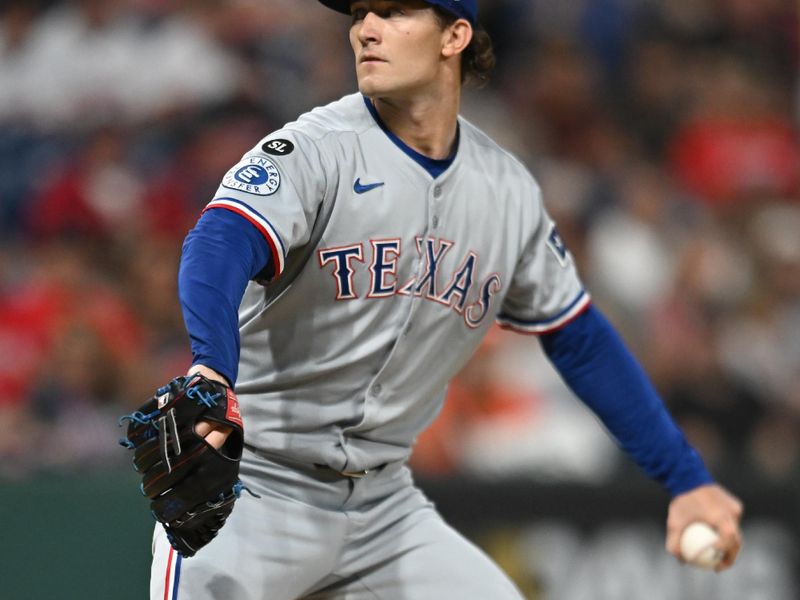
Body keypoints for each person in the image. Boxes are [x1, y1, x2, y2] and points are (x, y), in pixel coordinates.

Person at [151, 1, 743, 598]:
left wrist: (686, 478)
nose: (367, 29)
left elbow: (578, 338)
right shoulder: (316, 150)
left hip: (382, 508)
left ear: (455, 36)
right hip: (255, 486)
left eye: (394, 12)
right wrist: (213, 367)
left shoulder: (505, 191)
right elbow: (220, 239)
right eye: (361, 13)